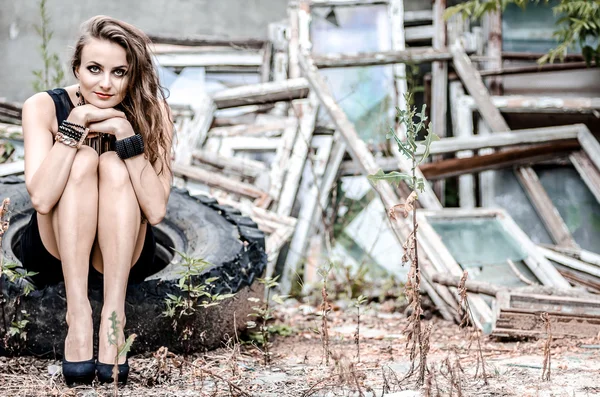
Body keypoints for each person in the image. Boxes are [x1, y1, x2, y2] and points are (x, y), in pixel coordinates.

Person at [20, 15, 173, 386]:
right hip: (53, 248)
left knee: (113, 164)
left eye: (119, 72)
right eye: (94, 69)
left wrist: (126, 135)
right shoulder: (42, 107)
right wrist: (73, 126)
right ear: (76, 68)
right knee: (85, 158)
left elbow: (155, 210)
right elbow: (40, 197)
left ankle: (112, 319)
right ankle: (79, 315)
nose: (106, 84)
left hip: (121, 255)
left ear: (132, 75)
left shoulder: (154, 113)